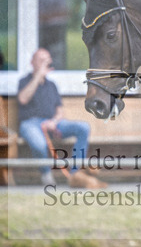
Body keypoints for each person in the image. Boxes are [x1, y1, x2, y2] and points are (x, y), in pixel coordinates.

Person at [18, 48, 105, 189]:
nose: (44, 64)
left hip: (52, 123)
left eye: (47, 61)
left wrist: (54, 121)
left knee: (83, 128)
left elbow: (59, 111)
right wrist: (38, 76)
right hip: (30, 124)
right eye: (41, 60)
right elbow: (23, 99)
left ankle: (75, 174)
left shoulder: (51, 85)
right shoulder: (24, 81)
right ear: (32, 62)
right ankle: (46, 174)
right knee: (39, 144)